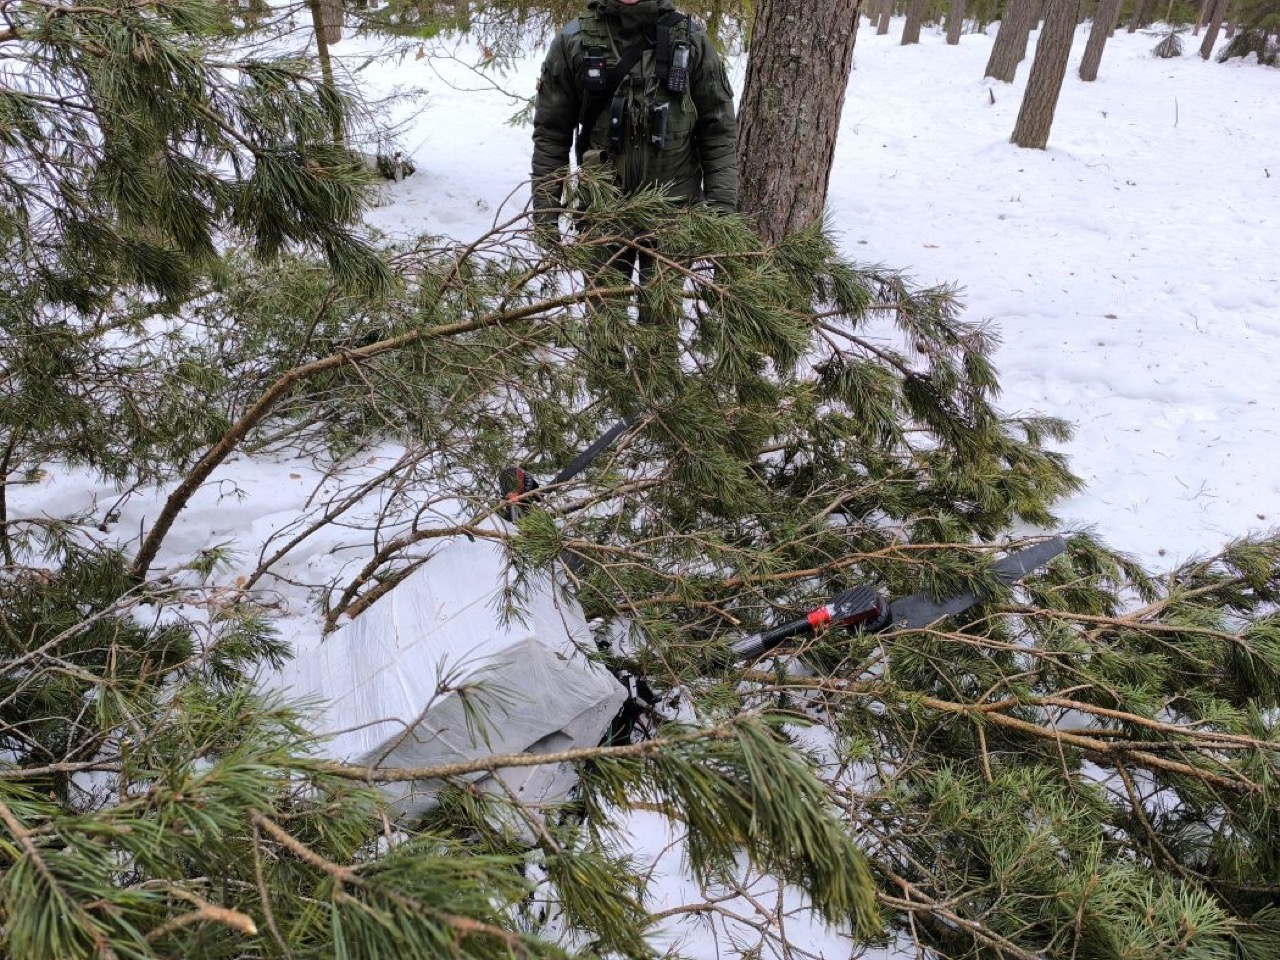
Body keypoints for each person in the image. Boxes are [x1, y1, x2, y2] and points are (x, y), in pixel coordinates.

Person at [530, 0, 739, 255]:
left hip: (675, 216)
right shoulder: (573, 40)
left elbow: (717, 132)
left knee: (664, 295)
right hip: (602, 216)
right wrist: (546, 216)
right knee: (605, 295)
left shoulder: (691, 41)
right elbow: (551, 134)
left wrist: (722, 214)